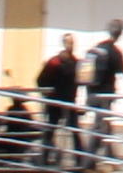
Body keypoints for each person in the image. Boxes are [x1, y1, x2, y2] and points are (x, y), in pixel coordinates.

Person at [32, 33, 84, 164]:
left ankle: (80, 160)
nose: (71, 45)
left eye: (72, 43)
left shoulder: (76, 62)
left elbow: (80, 80)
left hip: (70, 102)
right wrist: (47, 95)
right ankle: (44, 158)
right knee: (50, 130)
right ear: (63, 44)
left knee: (75, 131)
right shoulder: (54, 62)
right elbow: (40, 80)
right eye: (68, 43)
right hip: (55, 103)